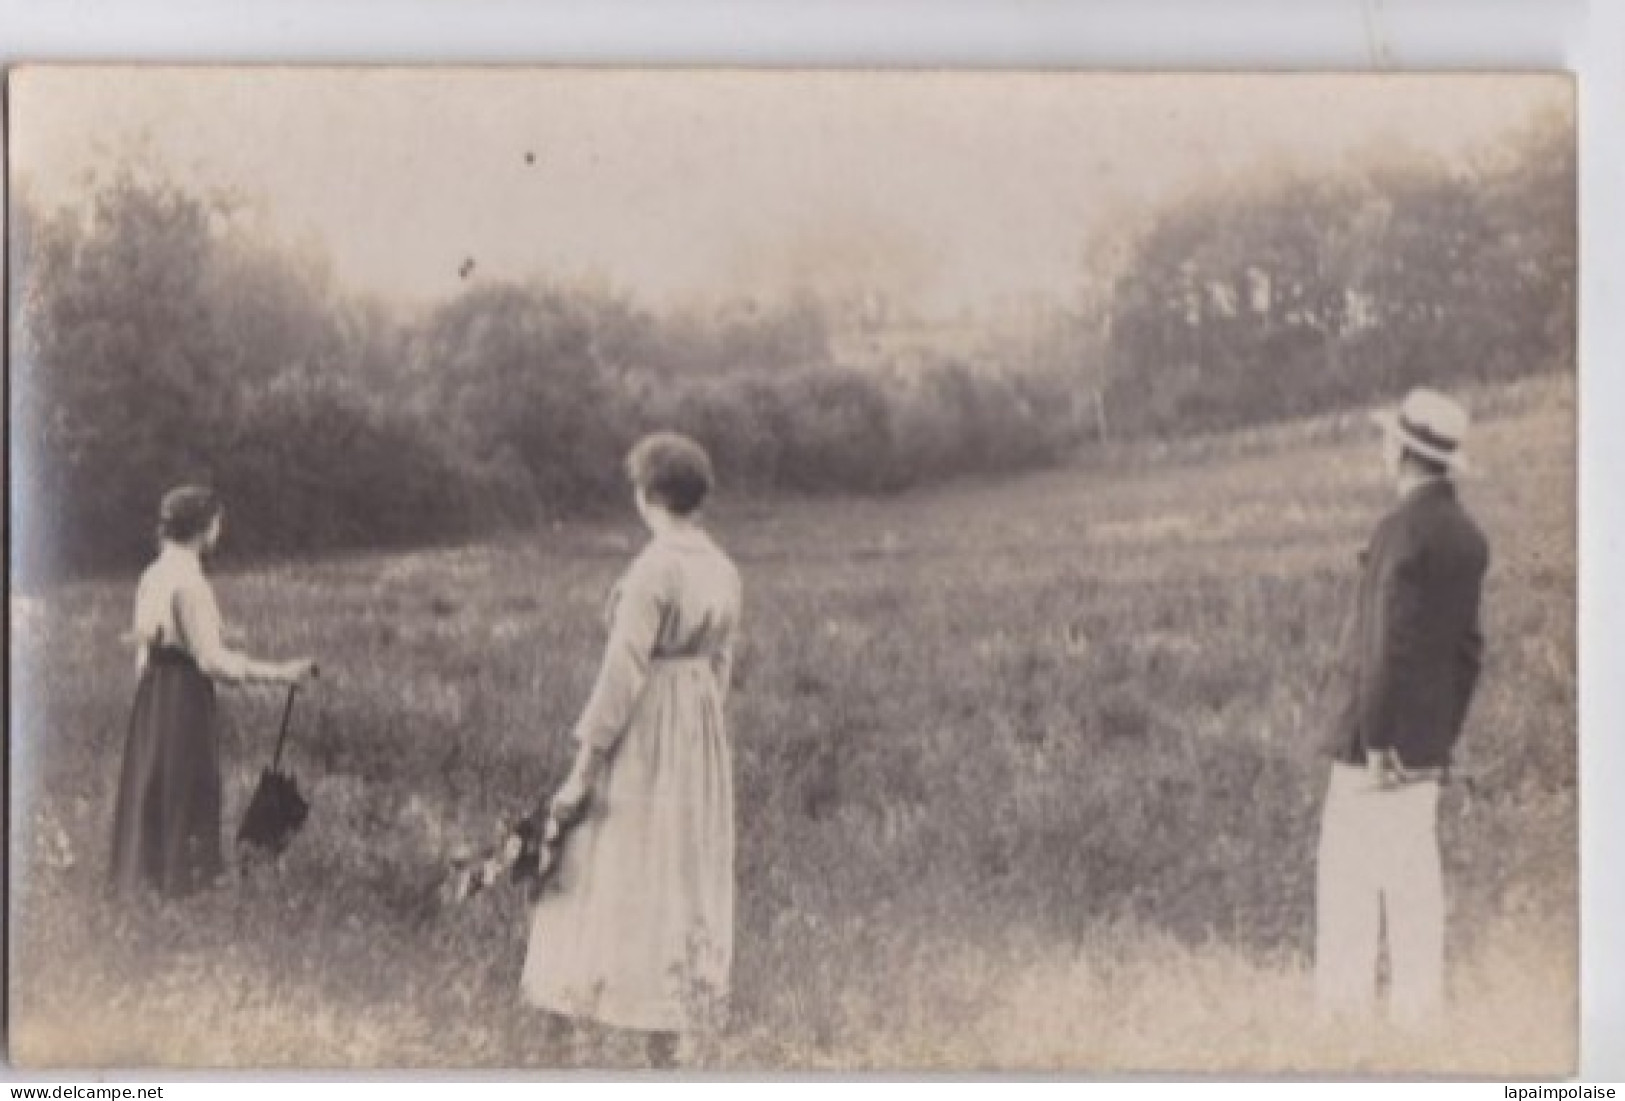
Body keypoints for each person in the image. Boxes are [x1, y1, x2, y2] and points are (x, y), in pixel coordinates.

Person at [521, 433, 743, 1067]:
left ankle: (562, 1040)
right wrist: (697, 737)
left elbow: (622, 675)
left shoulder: (655, 568)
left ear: (648, 496)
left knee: (595, 865)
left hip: (646, 735)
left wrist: (581, 771)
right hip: (698, 739)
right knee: (675, 877)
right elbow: (720, 670)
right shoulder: (722, 568)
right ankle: (663, 1043)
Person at [1314, 388, 1490, 1026]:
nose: (1385, 447)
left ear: (1406, 454)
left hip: (1373, 745)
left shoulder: (1397, 531)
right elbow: (1469, 652)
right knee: (1415, 881)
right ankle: (1419, 1021)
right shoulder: (1468, 537)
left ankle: (1343, 1021)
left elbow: (1383, 644)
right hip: (1426, 746)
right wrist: (1438, 737)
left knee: (1350, 884)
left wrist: (1382, 740)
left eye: (1390, 439)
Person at [109, 485, 317, 898]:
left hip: (152, 694)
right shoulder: (191, 582)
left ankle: (144, 888)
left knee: (154, 786)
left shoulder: (152, 575)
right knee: (190, 788)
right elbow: (210, 661)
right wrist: (281, 673)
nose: (220, 530)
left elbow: (147, 645)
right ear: (204, 528)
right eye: (218, 522)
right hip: (185, 696)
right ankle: (186, 891)